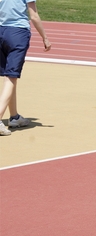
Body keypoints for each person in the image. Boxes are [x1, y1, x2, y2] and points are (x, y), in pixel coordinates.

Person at [0, 0, 51, 136]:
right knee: (11, 76)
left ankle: (15, 117)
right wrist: (45, 38)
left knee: (10, 76)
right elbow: (33, 15)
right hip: (18, 33)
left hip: (1, 31)